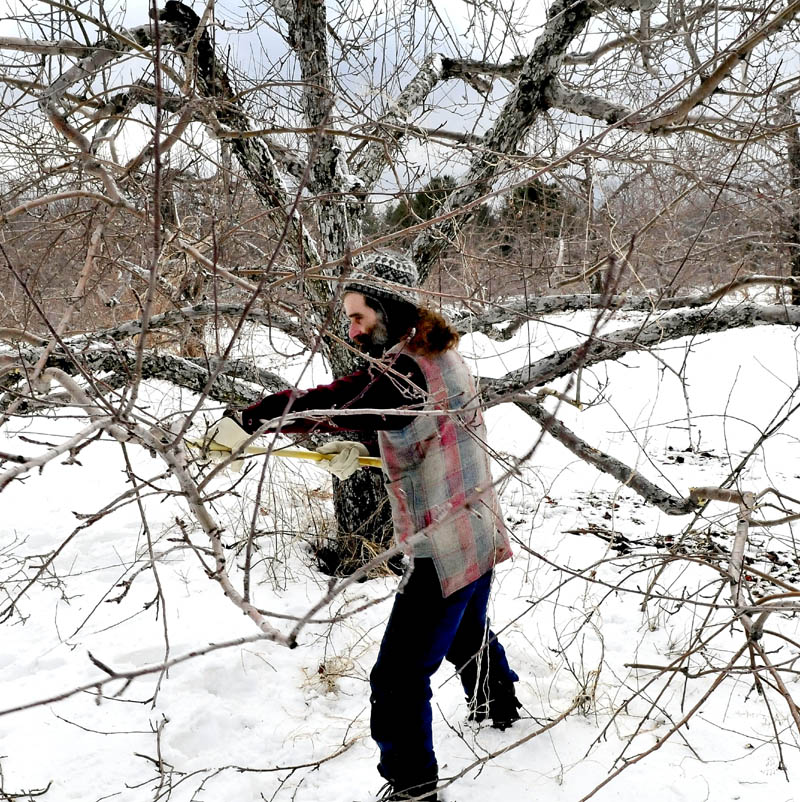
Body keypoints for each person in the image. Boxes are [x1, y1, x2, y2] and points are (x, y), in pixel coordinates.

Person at [225, 252, 521, 801]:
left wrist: (254, 416)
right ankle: (500, 708)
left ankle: (412, 790)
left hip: (442, 545)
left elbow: (343, 400)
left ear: (387, 309)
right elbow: (404, 419)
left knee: (396, 679)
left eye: (358, 316)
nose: (351, 329)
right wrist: (361, 446)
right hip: (478, 529)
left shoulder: (403, 371)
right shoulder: (436, 354)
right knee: (463, 633)